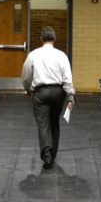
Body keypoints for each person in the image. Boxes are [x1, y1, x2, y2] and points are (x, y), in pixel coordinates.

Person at [21, 26, 75, 169]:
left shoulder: (33, 55)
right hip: (58, 92)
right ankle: (53, 153)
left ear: (41, 39)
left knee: (43, 123)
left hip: (40, 92)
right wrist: (70, 96)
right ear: (55, 39)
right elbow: (67, 78)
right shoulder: (62, 55)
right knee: (54, 122)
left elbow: (26, 76)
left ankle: (46, 154)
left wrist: (28, 89)